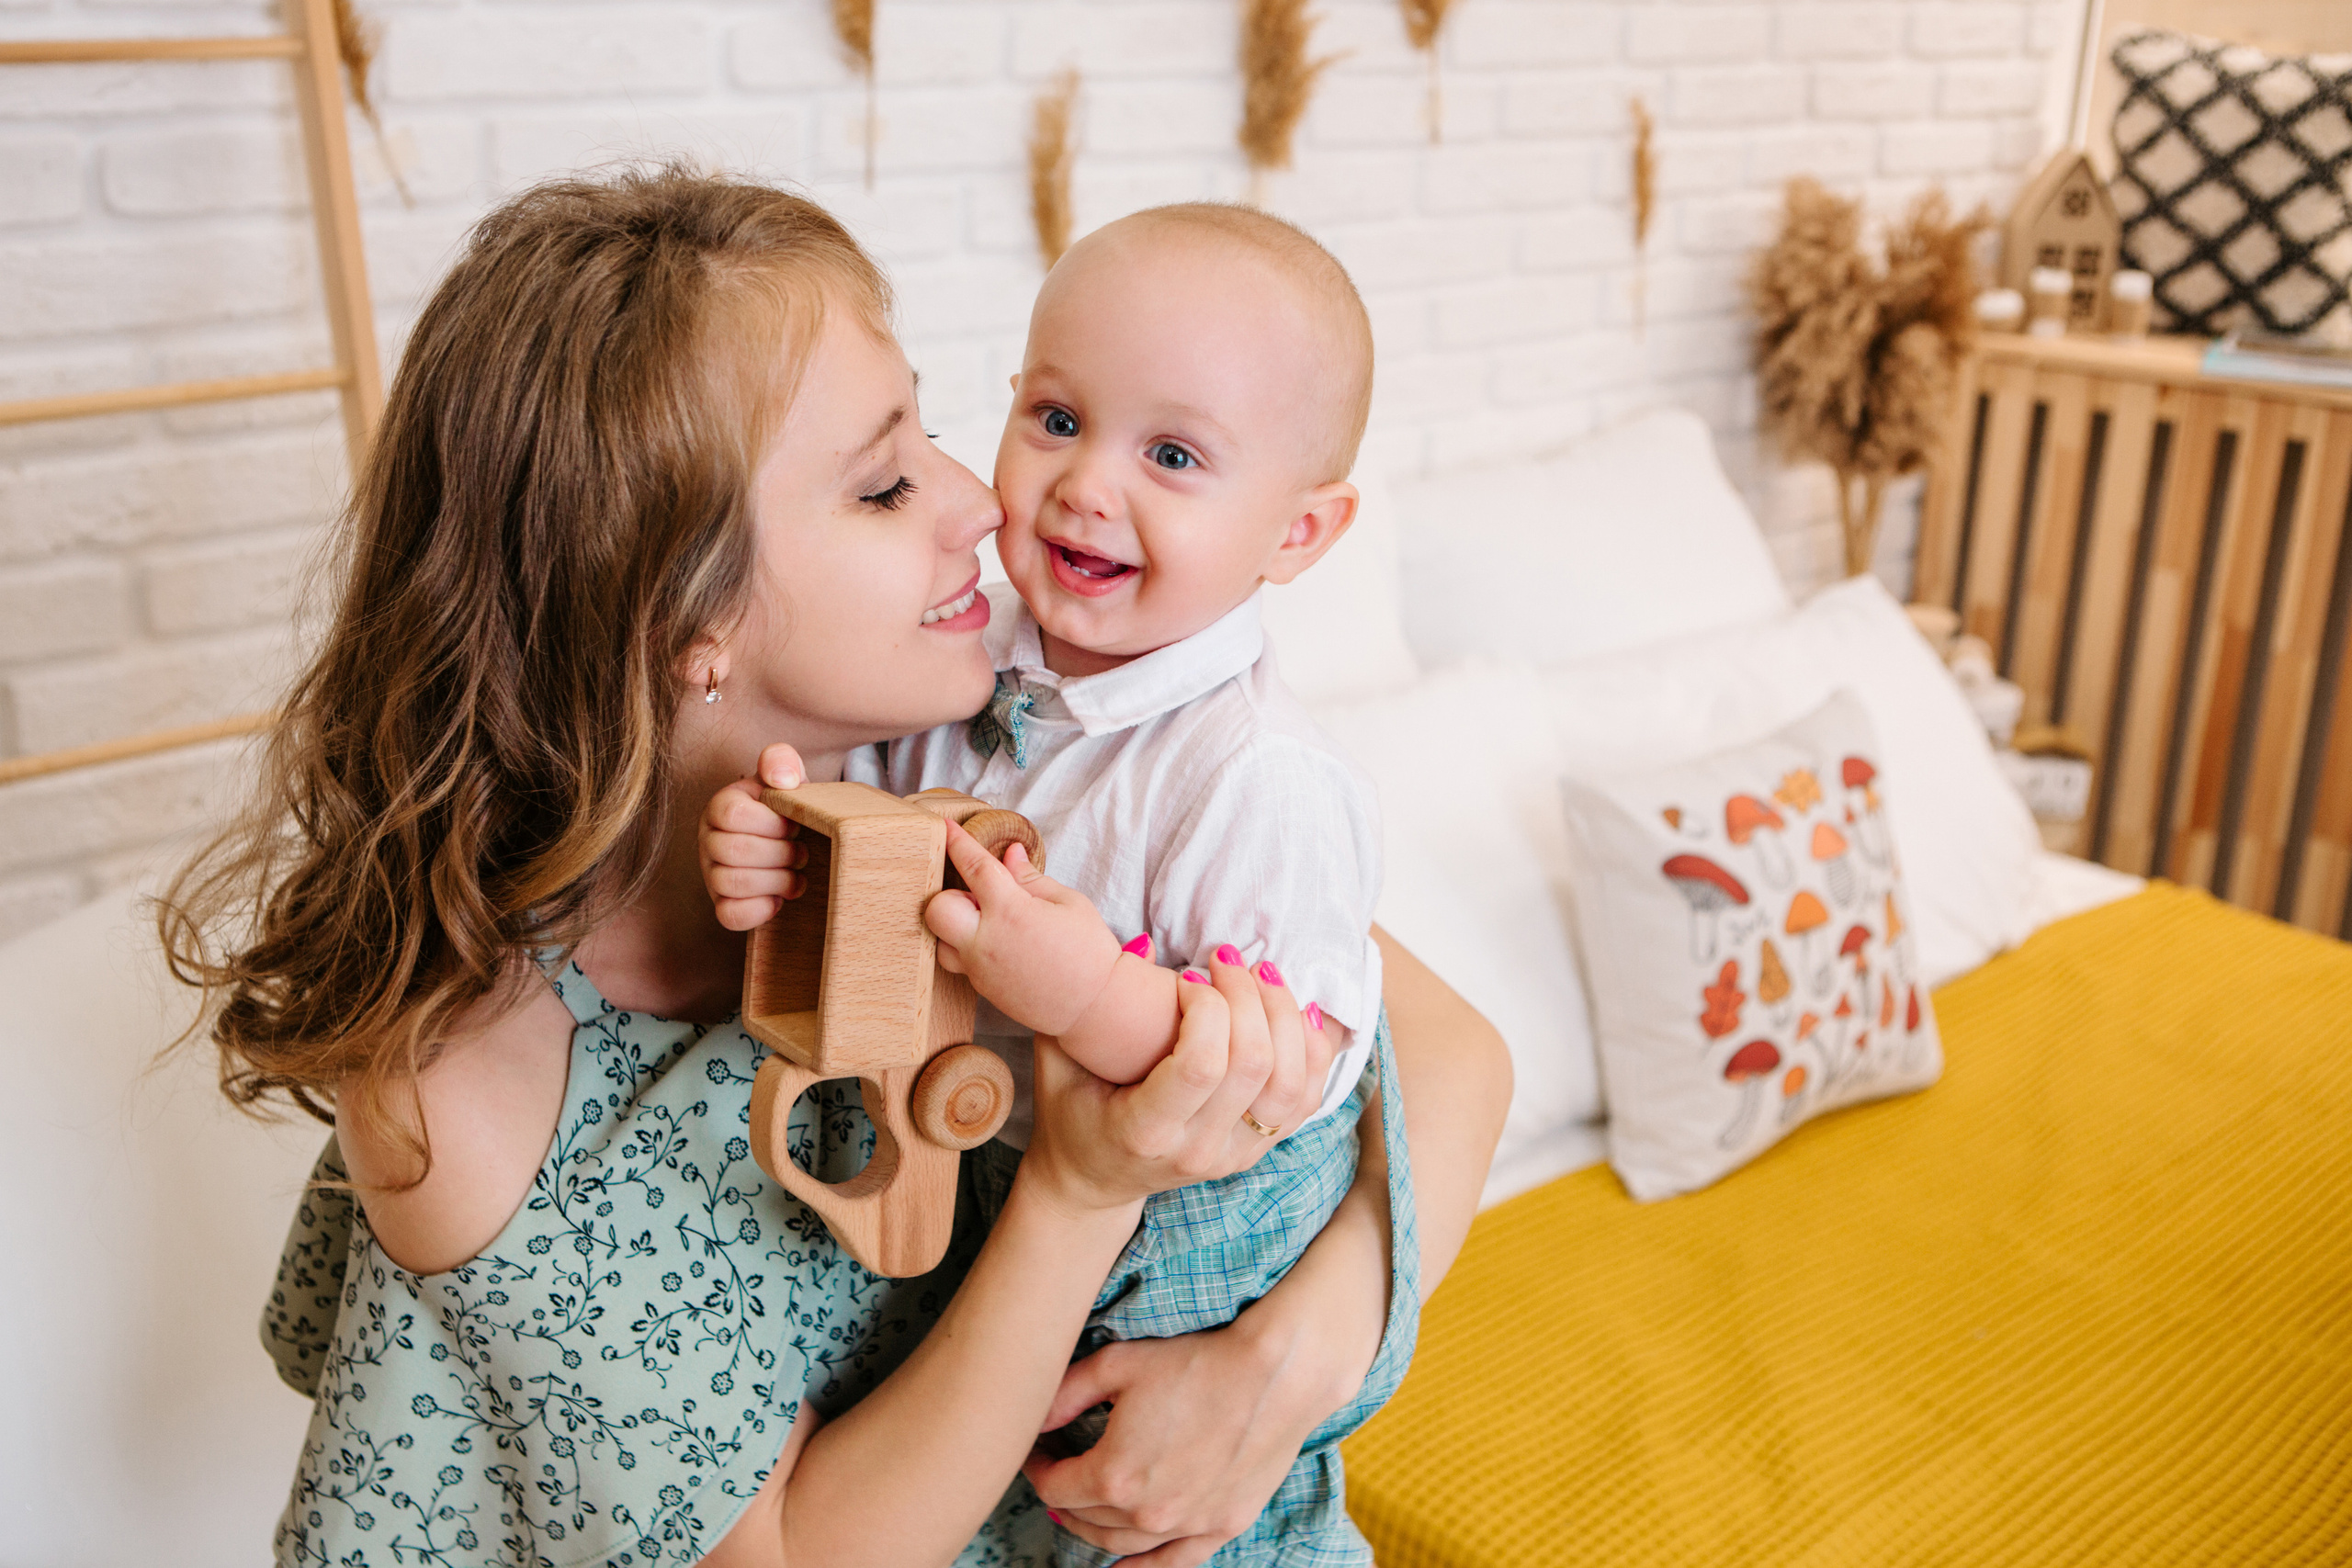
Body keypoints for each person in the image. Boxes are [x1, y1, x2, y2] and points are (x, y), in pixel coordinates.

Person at [162, 166, 1510, 1568]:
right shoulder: (470, 1088)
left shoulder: (1001, 754)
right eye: (883, 484)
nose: (985, 504)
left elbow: (1447, 1045)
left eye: (933, 430)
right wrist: (1081, 1189)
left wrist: (1289, 1361)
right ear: (683, 618)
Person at [698, 203, 1401, 1565]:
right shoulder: (970, 650)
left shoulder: (1261, 777)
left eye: (1173, 456)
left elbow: (1271, 1083)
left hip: (1183, 1248)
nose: (1086, 486)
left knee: (1183, 1533)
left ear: (1300, 532)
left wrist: (1087, 995)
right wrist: (783, 848)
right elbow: (872, 829)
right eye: (1059, 419)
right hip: (993, 1191)